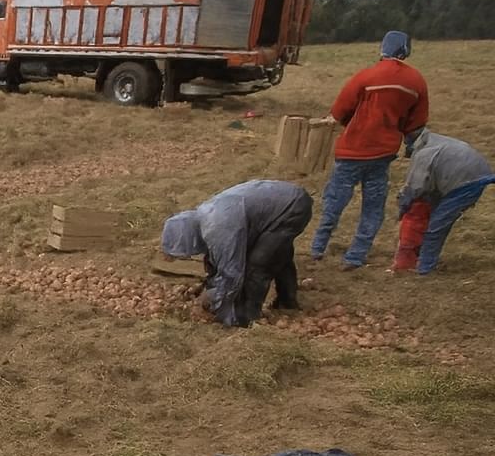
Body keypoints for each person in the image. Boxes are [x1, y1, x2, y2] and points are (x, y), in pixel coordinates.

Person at [310, 30, 429, 269]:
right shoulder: (416, 81)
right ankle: (356, 256)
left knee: (335, 201)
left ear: (383, 49)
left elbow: (340, 111)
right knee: (373, 207)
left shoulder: (365, 77)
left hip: (351, 152)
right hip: (383, 155)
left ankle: (317, 248)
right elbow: (416, 122)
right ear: (405, 50)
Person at [161, 180, 313, 328]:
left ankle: (246, 317)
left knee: (258, 264)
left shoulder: (218, 228)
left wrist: (217, 302)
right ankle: (287, 301)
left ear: (188, 239)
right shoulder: (204, 217)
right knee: (276, 253)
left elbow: (231, 273)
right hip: (283, 199)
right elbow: (216, 258)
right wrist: (210, 285)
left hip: (291, 208)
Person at [392, 130, 495, 274]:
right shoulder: (437, 140)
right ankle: (422, 259)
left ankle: (424, 268)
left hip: (465, 183)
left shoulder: (423, 153)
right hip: (475, 171)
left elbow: (415, 187)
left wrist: (403, 206)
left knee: (436, 227)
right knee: (435, 217)